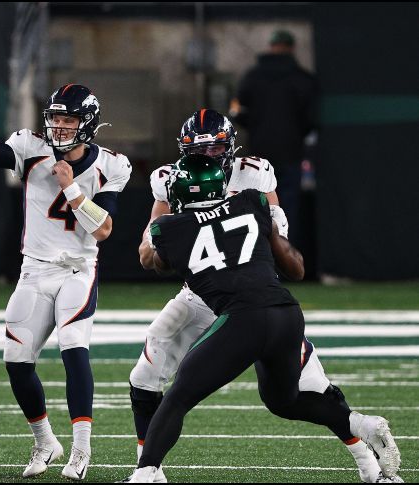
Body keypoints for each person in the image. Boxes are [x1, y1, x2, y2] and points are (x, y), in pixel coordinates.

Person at [127, 109, 401, 483]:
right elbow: (147, 254)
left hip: (248, 291)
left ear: (231, 149)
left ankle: (370, 466)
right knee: (145, 376)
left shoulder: (254, 174)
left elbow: (276, 240)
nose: (207, 157)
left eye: (215, 149)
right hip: (204, 295)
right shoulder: (174, 180)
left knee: (311, 387)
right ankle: (149, 469)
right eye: (199, 149)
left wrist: (189, 229)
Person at [0, 84, 132, 481]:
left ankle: (82, 450)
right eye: (55, 118)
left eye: (68, 119)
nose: (59, 126)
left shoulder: (111, 165)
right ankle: (45, 441)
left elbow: (103, 230)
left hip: (76, 270)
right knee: (16, 363)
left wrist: (70, 186)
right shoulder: (29, 146)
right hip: (33, 270)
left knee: (74, 351)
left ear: (86, 123)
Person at [229, 29, 317, 248]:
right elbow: (312, 118)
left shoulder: (252, 76)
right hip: (291, 152)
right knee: (288, 209)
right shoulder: (303, 79)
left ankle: (261, 259)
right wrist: (298, 133)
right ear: (292, 48)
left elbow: (235, 109)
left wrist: (254, 126)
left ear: (271, 47)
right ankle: (289, 260)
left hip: (259, 153)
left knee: (258, 207)